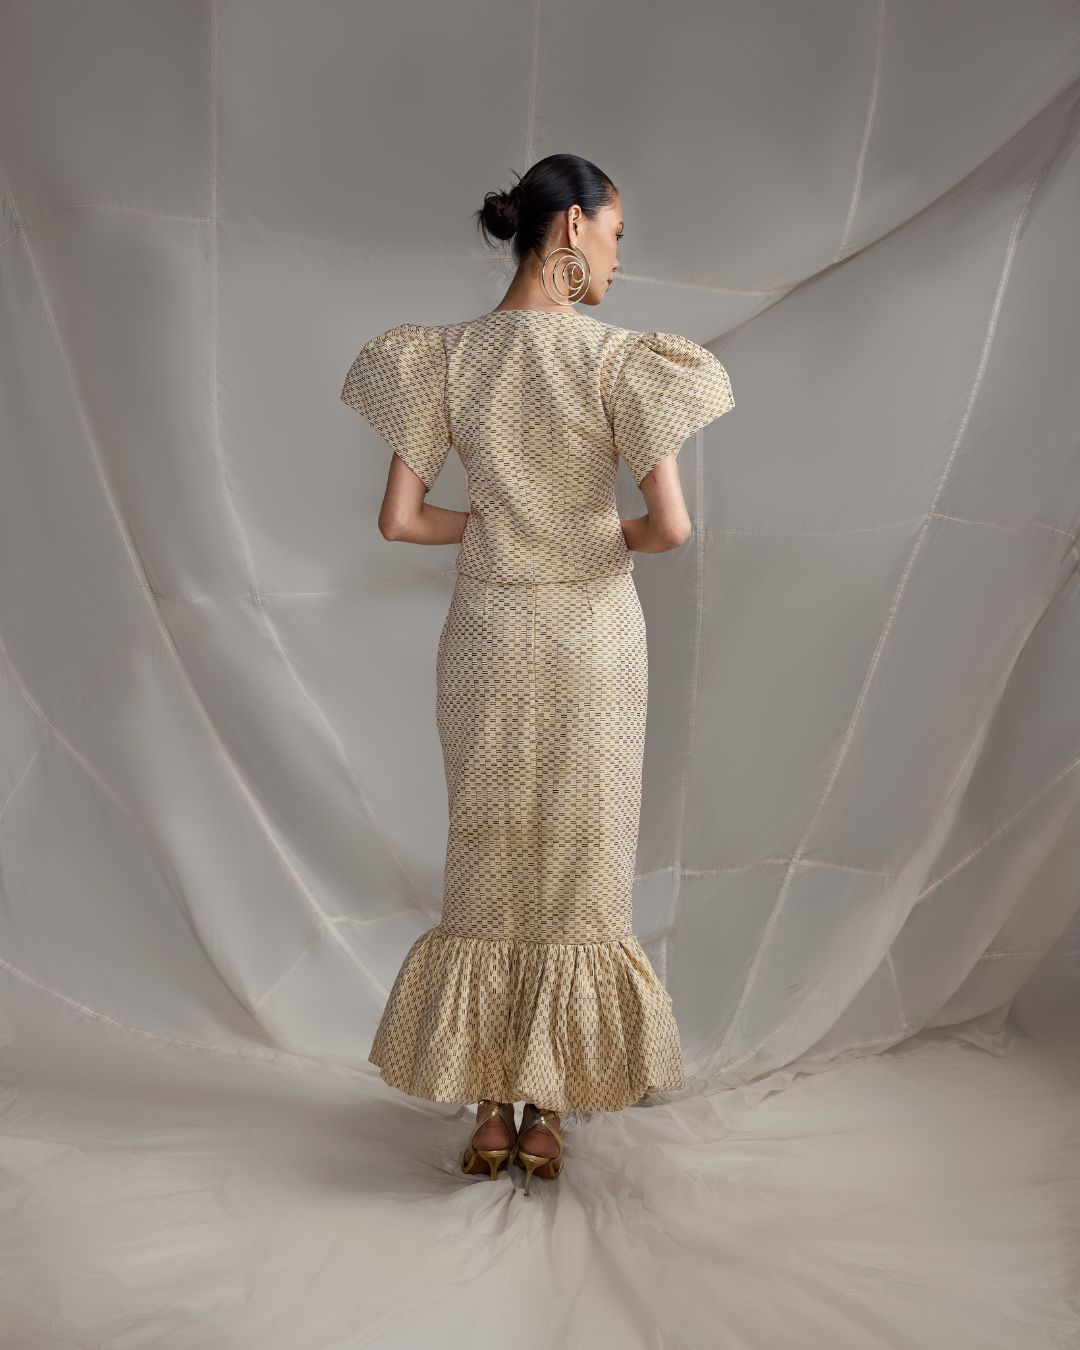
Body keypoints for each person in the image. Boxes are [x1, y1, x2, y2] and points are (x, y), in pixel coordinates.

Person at [339, 153, 734, 1194]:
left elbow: (401, 521)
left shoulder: (441, 358)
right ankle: (546, 1114)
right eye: (616, 234)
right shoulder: (622, 362)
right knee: (580, 862)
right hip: (593, 641)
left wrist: (505, 526)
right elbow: (670, 529)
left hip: (486, 639)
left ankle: (486, 1112)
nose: (618, 257)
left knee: (487, 854)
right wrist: (583, 532)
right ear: (571, 229)